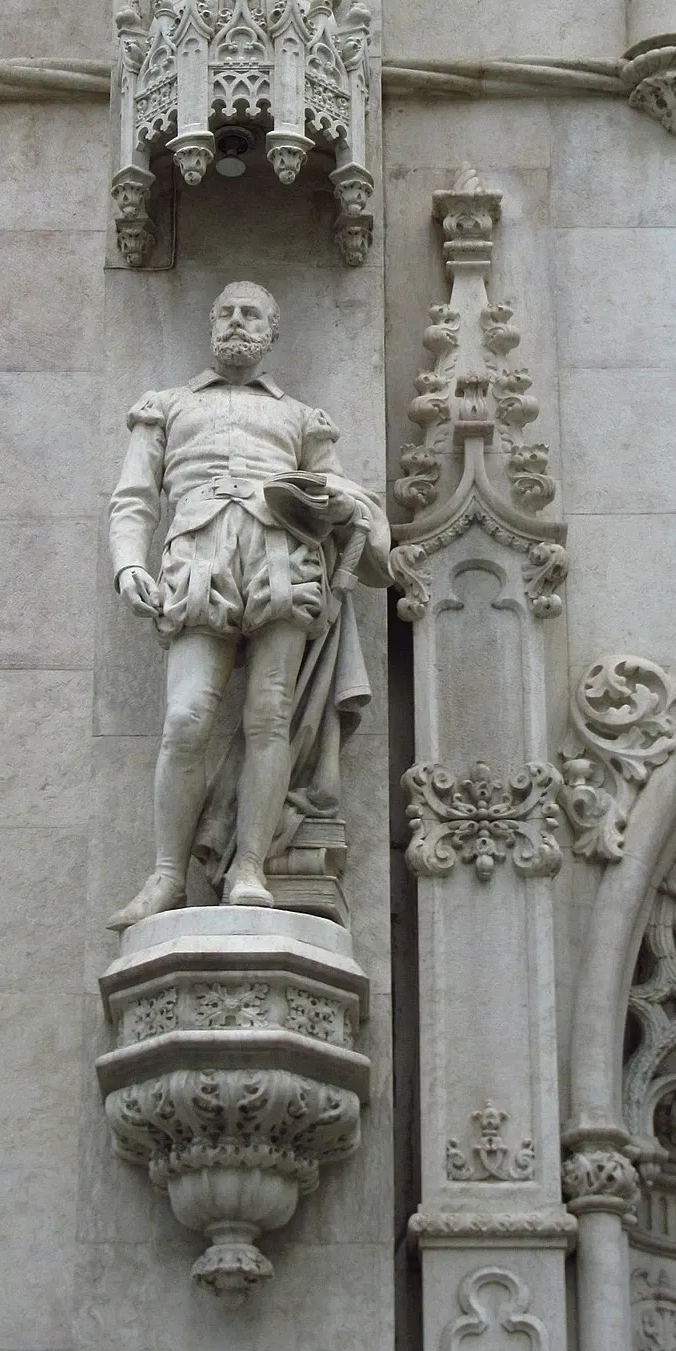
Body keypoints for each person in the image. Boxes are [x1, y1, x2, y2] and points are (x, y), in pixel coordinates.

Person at [107, 280, 389, 928]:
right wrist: (127, 565)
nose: (237, 323)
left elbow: (345, 493)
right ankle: (167, 875)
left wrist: (344, 505)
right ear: (211, 323)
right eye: (226, 312)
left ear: (272, 331)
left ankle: (249, 868)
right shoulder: (167, 406)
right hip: (198, 561)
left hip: (281, 562)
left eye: (251, 314)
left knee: (270, 717)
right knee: (185, 718)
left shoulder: (300, 419)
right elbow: (134, 501)